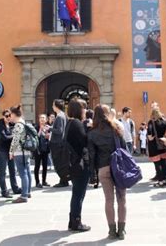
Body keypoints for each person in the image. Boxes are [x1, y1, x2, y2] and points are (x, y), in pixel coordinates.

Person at [88, 105, 127, 239]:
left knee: (108, 200)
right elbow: (125, 149)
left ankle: (111, 230)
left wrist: (92, 175)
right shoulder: (116, 129)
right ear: (107, 114)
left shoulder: (92, 133)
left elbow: (91, 156)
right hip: (119, 168)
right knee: (122, 199)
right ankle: (121, 230)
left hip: (103, 168)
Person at [65, 99, 91, 232]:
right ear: (79, 110)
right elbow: (85, 142)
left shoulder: (70, 123)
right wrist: (89, 128)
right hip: (79, 164)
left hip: (74, 163)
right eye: (84, 108)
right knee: (79, 194)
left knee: (76, 193)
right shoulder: (76, 124)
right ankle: (76, 222)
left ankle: (72, 220)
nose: (85, 111)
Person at [9, 105, 32, 203]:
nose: (10, 117)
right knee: (27, 172)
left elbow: (15, 140)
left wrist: (11, 152)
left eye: (11, 114)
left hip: (19, 152)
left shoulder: (18, 125)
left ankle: (23, 196)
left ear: (14, 114)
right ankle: (27, 192)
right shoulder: (24, 123)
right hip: (26, 151)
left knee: (23, 174)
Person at [0, 110, 21, 198]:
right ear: (3, 116)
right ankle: (4, 191)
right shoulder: (0, 125)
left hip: (10, 150)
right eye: (6, 116)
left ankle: (15, 188)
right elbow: (4, 137)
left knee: (12, 170)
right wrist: (14, 136)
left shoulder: (12, 124)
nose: (8, 117)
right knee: (3, 172)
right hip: (2, 151)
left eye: (10, 116)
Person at [147, 108, 166, 187]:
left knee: (157, 164)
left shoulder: (151, 122)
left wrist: (152, 138)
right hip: (163, 144)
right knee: (163, 163)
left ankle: (160, 181)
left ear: (152, 114)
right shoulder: (164, 122)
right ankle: (165, 178)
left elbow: (149, 135)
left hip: (154, 146)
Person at [50, 99, 69, 188]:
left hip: (57, 143)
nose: (52, 107)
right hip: (60, 142)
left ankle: (64, 179)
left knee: (58, 163)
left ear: (56, 106)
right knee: (61, 162)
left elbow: (60, 131)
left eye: (53, 105)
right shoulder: (63, 115)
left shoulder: (59, 117)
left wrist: (49, 128)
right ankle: (63, 179)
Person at [34, 114, 51, 188]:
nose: (42, 119)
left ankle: (44, 181)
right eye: (40, 118)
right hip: (38, 149)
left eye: (43, 118)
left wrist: (48, 136)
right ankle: (37, 182)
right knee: (37, 166)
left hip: (45, 149)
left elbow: (50, 137)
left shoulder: (48, 127)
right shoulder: (36, 127)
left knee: (45, 166)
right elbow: (35, 137)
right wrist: (40, 130)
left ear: (46, 120)